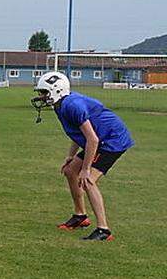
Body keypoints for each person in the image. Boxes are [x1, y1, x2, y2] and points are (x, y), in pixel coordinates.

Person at [32, 71, 134, 240]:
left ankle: (103, 229)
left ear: (56, 90)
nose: (41, 97)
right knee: (70, 170)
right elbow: (79, 134)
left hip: (112, 140)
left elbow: (92, 139)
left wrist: (86, 169)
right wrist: (70, 156)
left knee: (88, 180)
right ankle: (80, 216)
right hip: (99, 138)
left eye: (44, 92)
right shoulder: (61, 105)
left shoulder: (72, 105)